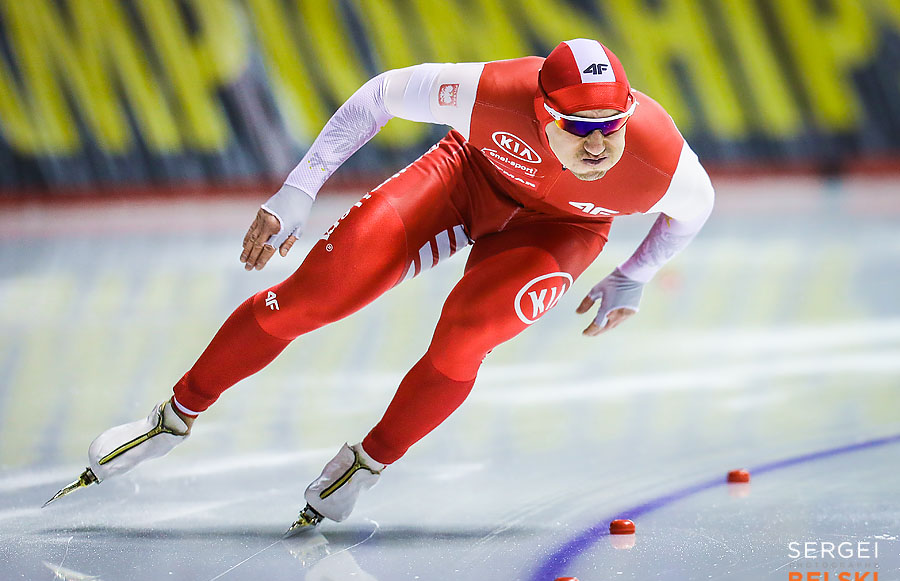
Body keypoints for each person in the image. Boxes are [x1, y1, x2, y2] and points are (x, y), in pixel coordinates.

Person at [45, 39, 714, 532]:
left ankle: (368, 462)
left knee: (467, 337)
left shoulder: (661, 158)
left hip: (562, 229)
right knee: (313, 296)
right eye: (579, 130)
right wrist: (298, 190)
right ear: (540, 113)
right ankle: (171, 419)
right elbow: (383, 93)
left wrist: (635, 275)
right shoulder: (488, 91)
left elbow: (696, 210)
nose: (598, 147)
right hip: (464, 181)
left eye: (610, 128)